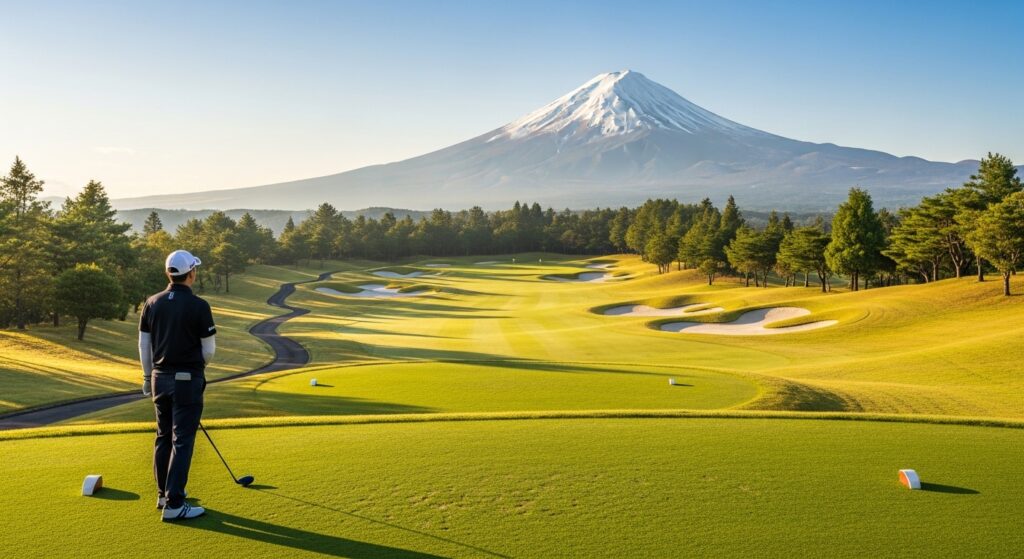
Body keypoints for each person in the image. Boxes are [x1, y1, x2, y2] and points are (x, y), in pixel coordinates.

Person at [139, 249, 217, 522]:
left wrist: (148, 377)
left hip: (159, 378)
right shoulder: (199, 306)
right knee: (182, 441)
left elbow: (144, 345)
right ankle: (174, 503)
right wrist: (197, 370)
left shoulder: (151, 302)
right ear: (191, 274)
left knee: (163, 437)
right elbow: (209, 350)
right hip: (187, 380)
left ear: (168, 273)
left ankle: (163, 495)